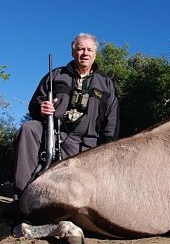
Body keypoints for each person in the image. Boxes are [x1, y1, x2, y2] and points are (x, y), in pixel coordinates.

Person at [13, 33, 120, 199]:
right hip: (55, 134)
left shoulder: (106, 83)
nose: (85, 53)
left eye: (89, 49)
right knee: (29, 128)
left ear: (95, 54)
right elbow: (34, 104)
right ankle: (22, 196)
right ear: (73, 52)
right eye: (80, 49)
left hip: (88, 143)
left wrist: (107, 148)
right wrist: (40, 108)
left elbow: (112, 120)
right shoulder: (55, 75)